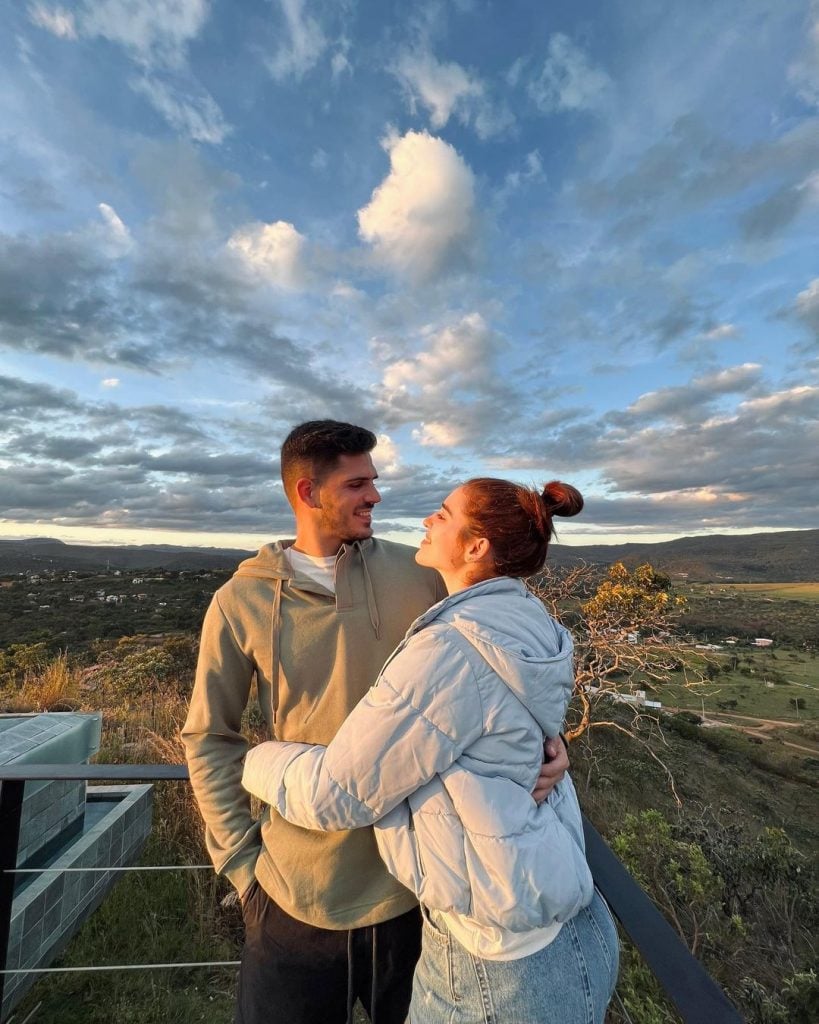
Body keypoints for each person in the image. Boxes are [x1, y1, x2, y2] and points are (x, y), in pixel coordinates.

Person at [181, 421, 570, 1024]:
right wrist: (241, 867)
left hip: (417, 896)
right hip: (293, 896)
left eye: (375, 480)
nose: (377, 497)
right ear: (308, 493)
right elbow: (210, 735)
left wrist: (549, 743)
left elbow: (499, 672)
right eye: (358, 483)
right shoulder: (243, 601)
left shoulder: (419, 573)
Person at [242, 475, 619, 1024]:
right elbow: (509, 730)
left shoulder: (449, 647)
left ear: (475, 546)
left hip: (496, 964)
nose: (426, 520)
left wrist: (254, 758)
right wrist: (553, 745)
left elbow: (337, 794)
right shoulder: (531, 621)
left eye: (443, 514)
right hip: (574, 930)